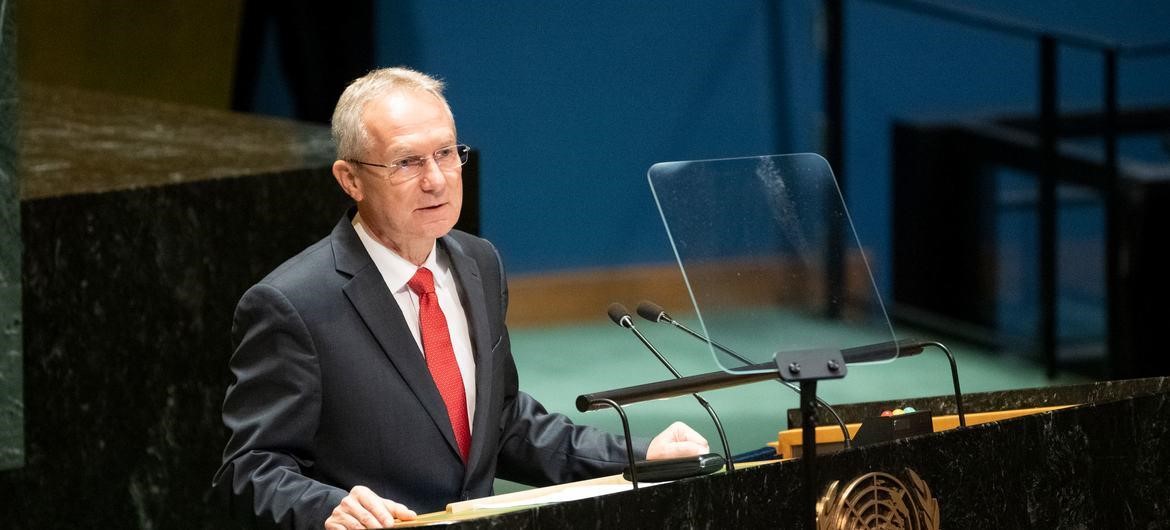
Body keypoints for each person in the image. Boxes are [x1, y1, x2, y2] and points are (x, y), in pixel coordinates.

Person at [213, 67, 709, 530]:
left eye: (446, 154)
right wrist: (327, 507)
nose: (435, 179)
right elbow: (248, 470)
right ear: (350, 179)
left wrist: (637, 455)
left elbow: (503, 425)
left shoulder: (479, 263)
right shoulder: (292, 303)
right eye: (407, 162)